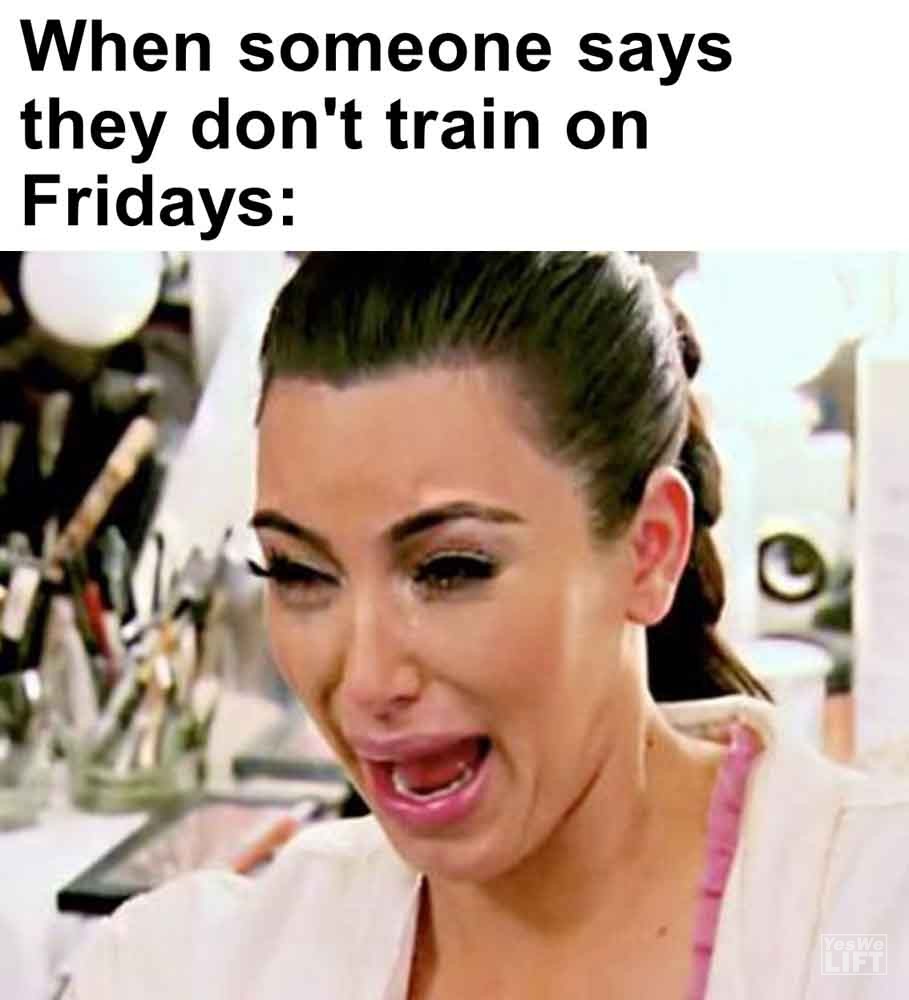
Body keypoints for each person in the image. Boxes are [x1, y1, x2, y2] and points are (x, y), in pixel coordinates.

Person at [67, 253, 909, 998]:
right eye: (299, 573)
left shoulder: (861, 932)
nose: (365, 681)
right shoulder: (189, 970)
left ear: (649, 550)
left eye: (450, 569)